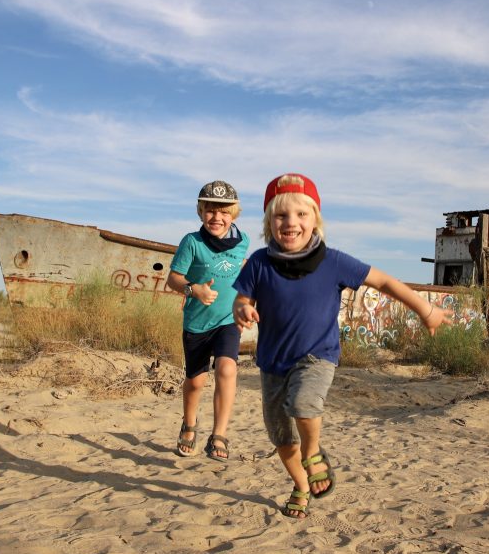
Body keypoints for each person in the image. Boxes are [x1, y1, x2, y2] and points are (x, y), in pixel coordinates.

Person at [232, 173, 447, 518]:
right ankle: (301, 484)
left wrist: (425, 308)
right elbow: (242, 298)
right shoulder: (260, 262)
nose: (291, 223)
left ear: (315, 219)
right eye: (281, 215)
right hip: (273, 362)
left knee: (304, 404)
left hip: (317, 356)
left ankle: (314, 452)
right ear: (268, 223)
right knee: (282, 440)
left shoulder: (333, 262)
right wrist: (242, 309)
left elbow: (385, 281)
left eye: (301, 214)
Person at [167, 180, 250, 461]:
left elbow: (243, 271)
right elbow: (173, 279)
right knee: (196, 381)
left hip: (227, 320)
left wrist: (247, 303)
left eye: (224, 212)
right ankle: (189, 424)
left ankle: (219, 435)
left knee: (227, 369)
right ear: (201, 212)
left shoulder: (243, 242)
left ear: (234, 214)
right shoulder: (192, 242)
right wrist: (194, 289)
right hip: (197, 323)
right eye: (211, 211)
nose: (217, 217)